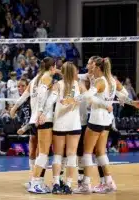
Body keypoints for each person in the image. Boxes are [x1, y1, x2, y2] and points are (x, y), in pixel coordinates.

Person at [63, 57, 139, 194]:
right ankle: (109, 182)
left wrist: (73, 99)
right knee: (100, 152)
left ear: (98, 67)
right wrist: (131, 102)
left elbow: (88, 95)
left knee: (87, 153)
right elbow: (123, 94)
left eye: (92, 65)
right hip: (107, 121)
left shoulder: (100, 81)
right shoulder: (112, 80)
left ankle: (85, 185)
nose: (91, 68)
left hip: (96, 119)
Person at [39, 62, 82, 194]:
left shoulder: (58, 85)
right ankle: (68, 185)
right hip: (74, 124)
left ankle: (56, 183)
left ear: (62, 72)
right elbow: (89, 97)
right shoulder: (79, 85)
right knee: (71, 155)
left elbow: (50, 101)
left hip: (60, 124)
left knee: (57, 155)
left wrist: (42, 113)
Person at [25, 57, 56, 194]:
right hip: (45, 119)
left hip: (40, 118)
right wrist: (42, 112)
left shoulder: (41, 76)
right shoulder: (47, 77)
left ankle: (36, 181)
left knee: (42, 152)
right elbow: (43, 95)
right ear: (52, 67)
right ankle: (35, 182)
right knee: (43, 152)